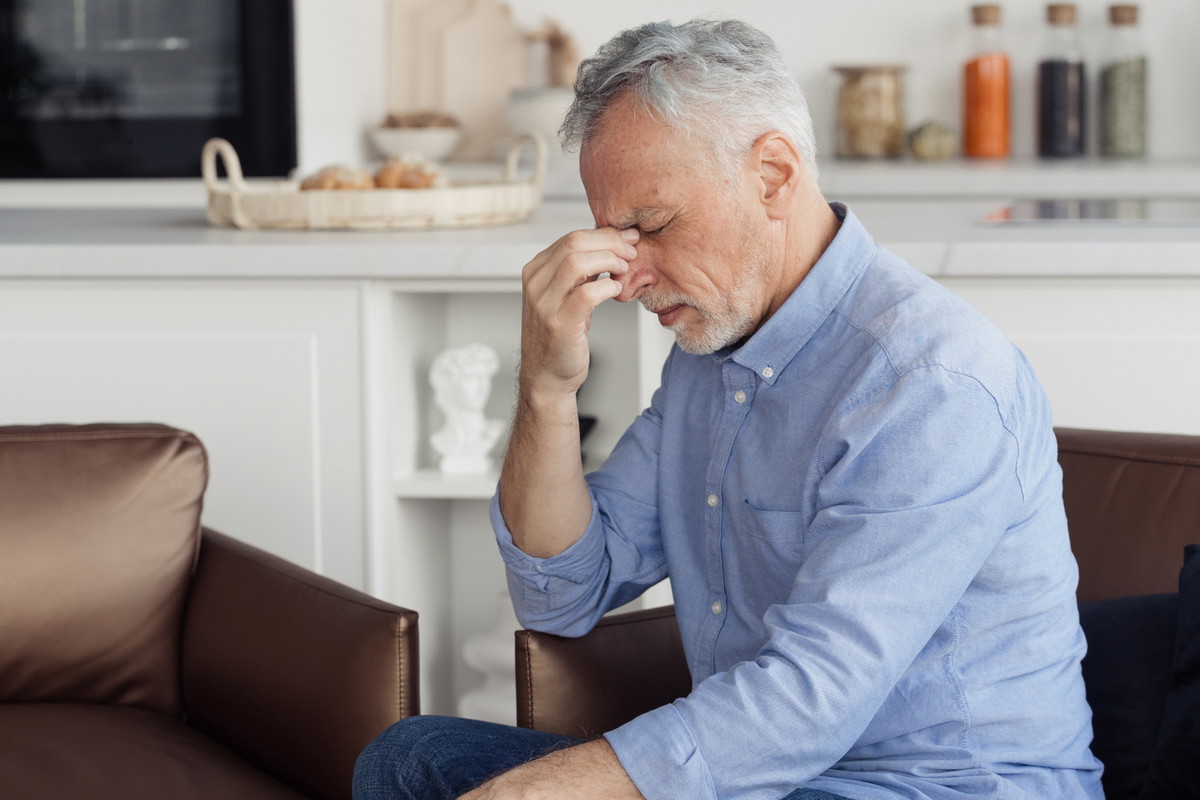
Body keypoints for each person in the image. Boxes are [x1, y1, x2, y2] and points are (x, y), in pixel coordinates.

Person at [354, 18, 1104, 800]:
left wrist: (527, 792)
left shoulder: (930, 380)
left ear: (772, 176)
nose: (628, 279)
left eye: (650, 226)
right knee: (411, 759)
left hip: (935, 787)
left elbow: (807, 704)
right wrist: (545, 387)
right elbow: (563, 595)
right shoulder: (710, 356)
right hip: (765, 781)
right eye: (613, 237)